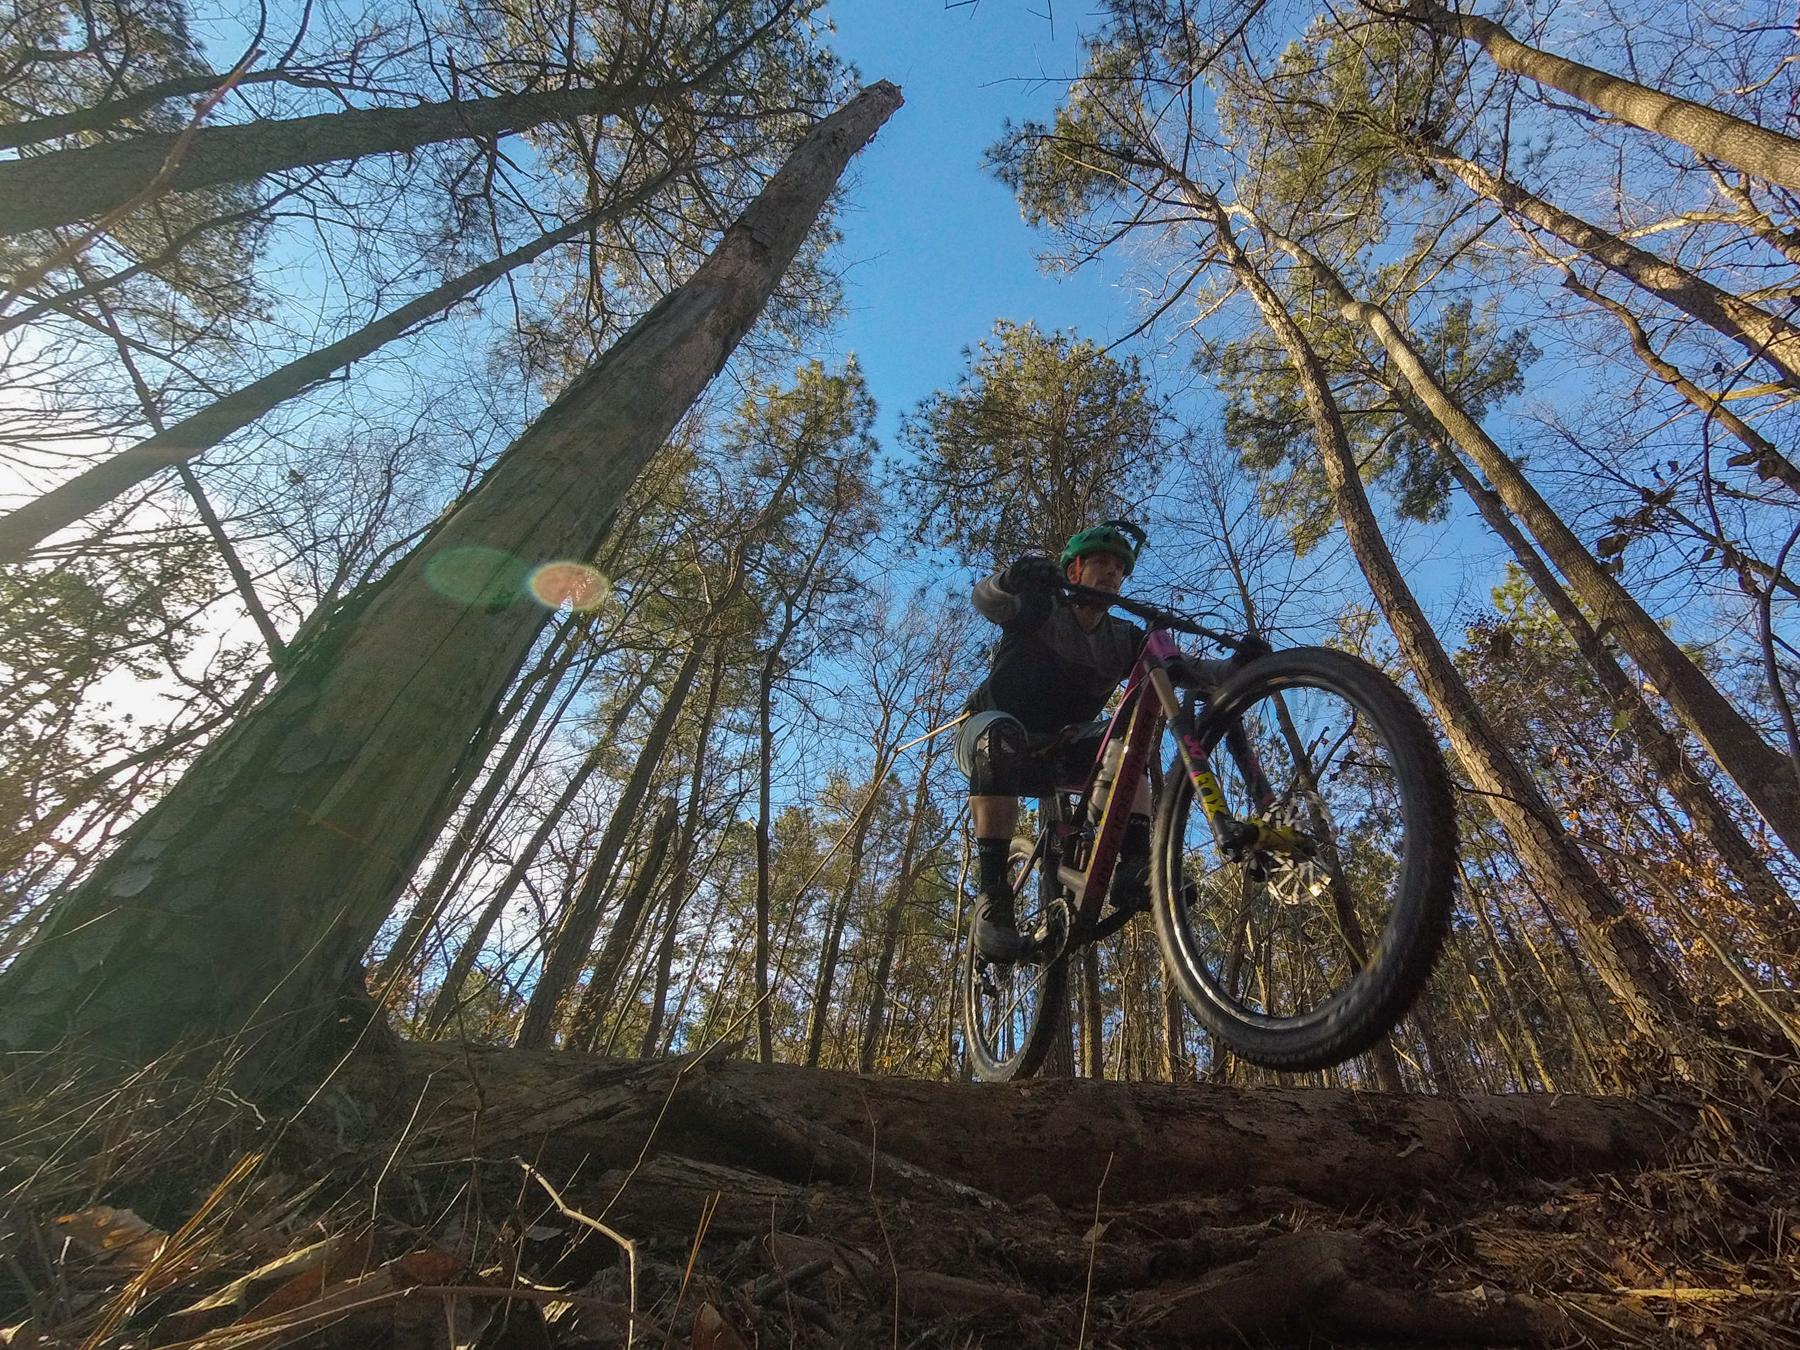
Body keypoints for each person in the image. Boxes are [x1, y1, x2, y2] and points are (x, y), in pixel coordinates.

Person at [954, 521, 1155, 962]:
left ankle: (1135, 865)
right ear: (1073, 571)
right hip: (989, 736)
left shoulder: (1123, 639)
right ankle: (993, 899)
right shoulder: (1042, 608)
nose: (1111, 574)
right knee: (1002, 737)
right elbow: (985, 598)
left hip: (1059, 754)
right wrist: (1013, 577)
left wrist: (1239, 667)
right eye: (1100, 562)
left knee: (1130, 743)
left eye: (1119, 569)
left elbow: (1182, 671)